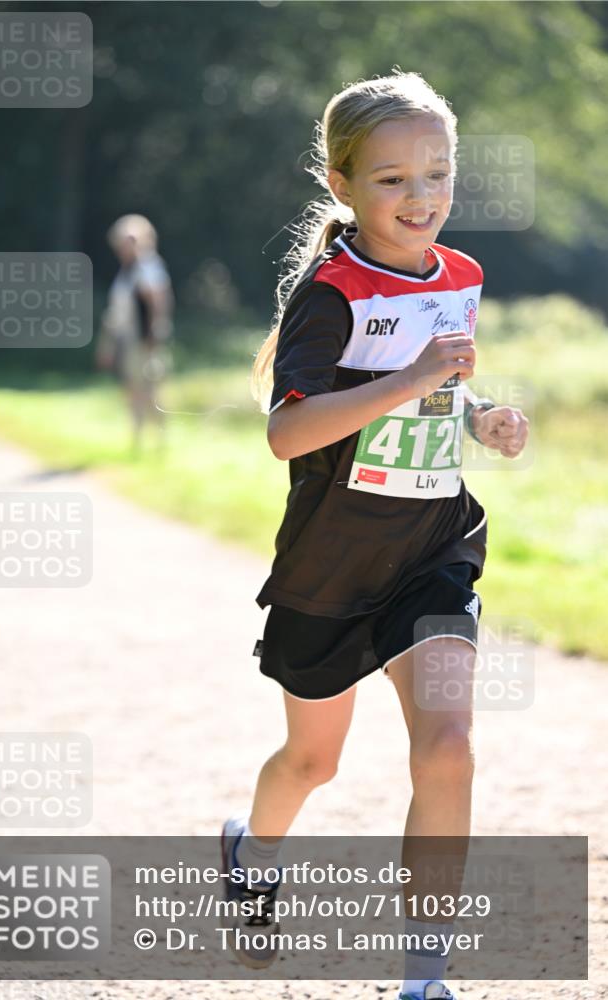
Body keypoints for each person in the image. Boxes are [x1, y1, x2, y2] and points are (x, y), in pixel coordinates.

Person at [220, 71, 529, 997]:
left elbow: (436, 382)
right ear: (341, 183)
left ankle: (424, 974)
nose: (419, 197)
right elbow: (289, 431)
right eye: (391, 178)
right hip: (331, 564)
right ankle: (251, 851)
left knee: (446, 746)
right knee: (312, 760)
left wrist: (476, 418)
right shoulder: (330, 292)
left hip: (432, 550)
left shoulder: (460, 277)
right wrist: (413, 379)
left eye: (436, 174)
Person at [95, 214, 174, 452]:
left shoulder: (148, 267)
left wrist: (153, 338)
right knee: (134, 390)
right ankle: (139, 440)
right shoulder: (127, 272)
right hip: (128, 340)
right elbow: (116, 314)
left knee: (149, 392)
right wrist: (107, 345)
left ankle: (159, 441)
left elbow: (157, 305)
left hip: (144, 341)